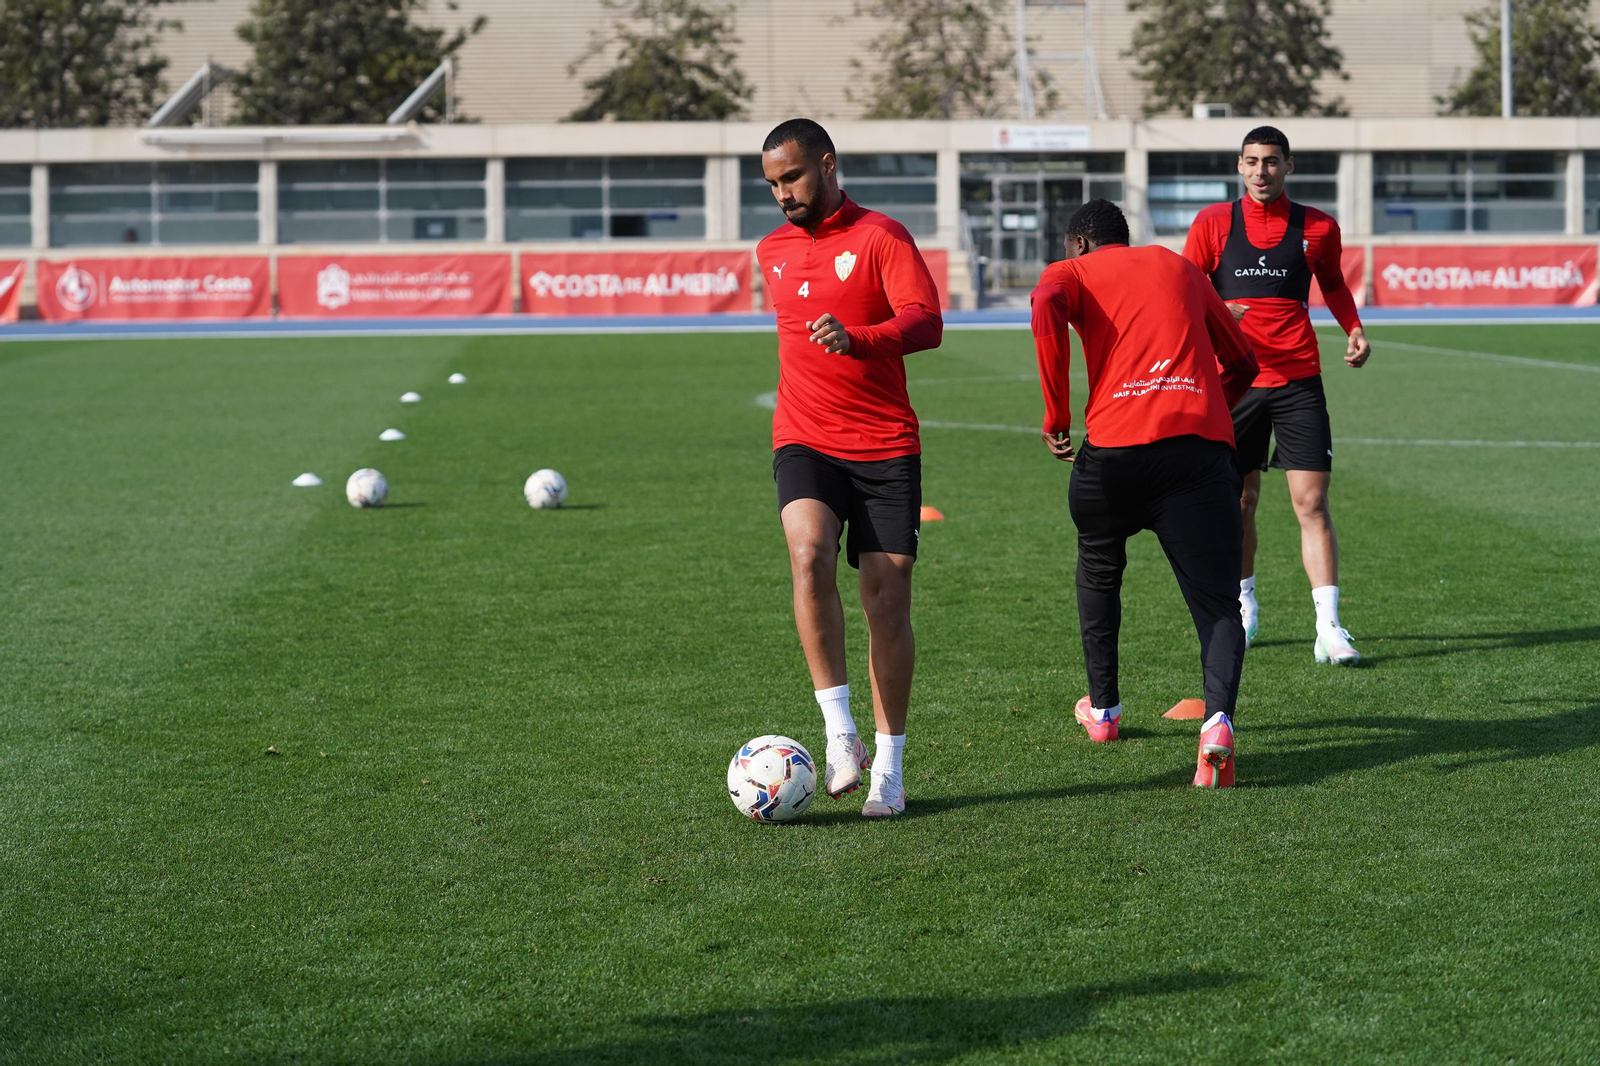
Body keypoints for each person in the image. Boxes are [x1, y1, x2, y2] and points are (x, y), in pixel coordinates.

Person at [1032, 199, 1258, 788]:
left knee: (1100, 571)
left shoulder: (1069, 272)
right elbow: (1244, 362)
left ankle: (1103, 712)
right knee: (1216, 606)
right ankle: (1216, 725)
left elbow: (1045, 305)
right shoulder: (1178, 266)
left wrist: (1056, 414)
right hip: (1199, 457)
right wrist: (1204, 405)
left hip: (1113, 457)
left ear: (1077, 243)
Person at [754, 118, 944, 816]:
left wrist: (859, 340)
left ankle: (889, 767)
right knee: (808, 554)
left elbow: (927, 322)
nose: (783, 195)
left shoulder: (882, 237)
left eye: (793, 178)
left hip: (885, 444)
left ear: (828, 165)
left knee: (886, 602)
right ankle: (840, 734)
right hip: (803, 435)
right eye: (772, 183)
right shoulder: (769, 249)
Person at [1182, 125, 1371, 665]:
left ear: (1288, 165)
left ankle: (1329, 628)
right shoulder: (1212, 223)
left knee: (1311, 502)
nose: (1260, 171)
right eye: (1251, 161)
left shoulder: (1318, 226)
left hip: (1298, 381)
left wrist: (1352, 326)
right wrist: (1218, 313)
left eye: (1270, 161)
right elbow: (1185, 289)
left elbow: (1332, 283)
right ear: (1239, 167)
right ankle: (1244, 607)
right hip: (1233, 384)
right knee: (1238, 503)